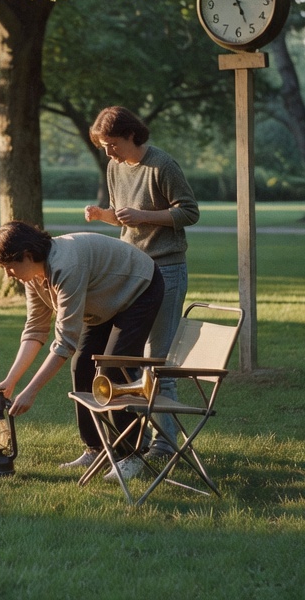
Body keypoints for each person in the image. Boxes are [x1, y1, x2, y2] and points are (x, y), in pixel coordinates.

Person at [0, 221, 164, 481]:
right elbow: (36, 329)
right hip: (102, 299)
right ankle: (96, 448)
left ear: (26, 255)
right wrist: (10, 381)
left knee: (114, 370)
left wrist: (31, 391)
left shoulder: (66, 267)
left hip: (139, 288)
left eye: (8, 266)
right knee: (82, 366)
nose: (7, 275)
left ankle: (131, 454)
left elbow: (65, 342)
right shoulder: (34, 276)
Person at [84, 106, 199, 460]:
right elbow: (124, 219)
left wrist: (143, 215)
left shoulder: (162, 166)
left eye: (112, 144)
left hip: (166, 269)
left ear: (132, 135)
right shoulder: (114, 168)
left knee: (157, 361)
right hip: (132, 274)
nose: (109, 152)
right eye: (104, 146)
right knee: (127, 359)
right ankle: (134, 441)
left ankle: (164, 446)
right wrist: (102, 215)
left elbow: (189, 212)